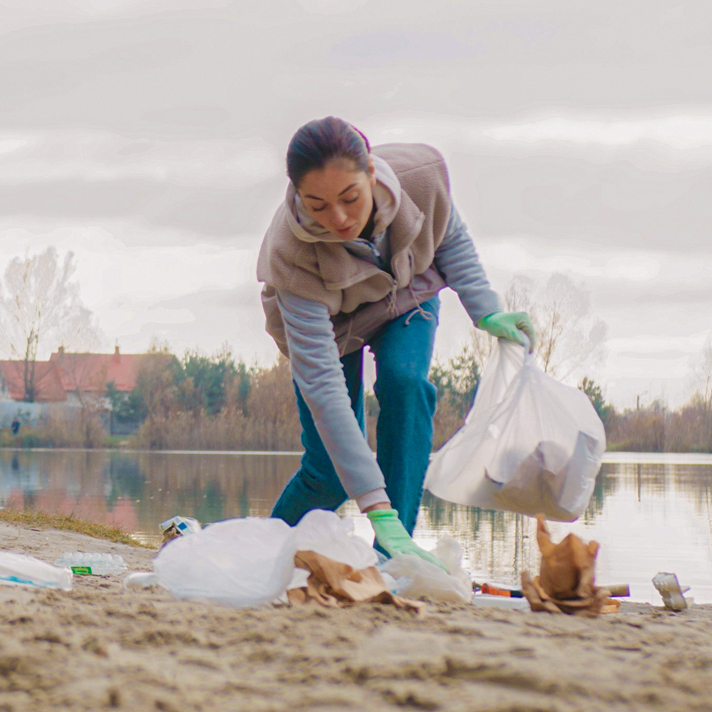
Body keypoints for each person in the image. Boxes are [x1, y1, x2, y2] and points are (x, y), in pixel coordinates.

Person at [257, 116, 535, 569]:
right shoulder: (290, 253)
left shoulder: (421, 176)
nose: (340, 218)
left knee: (406, 386)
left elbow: (449, 237)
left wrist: (486, 310)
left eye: (350, 198)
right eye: (319, 206)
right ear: (297, 196)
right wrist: (372, 504)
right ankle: (265, 556)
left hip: (404, 296)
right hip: (332, 327)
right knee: (328, 471)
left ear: (371, 172)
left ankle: (393, 555)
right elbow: (326, 390)